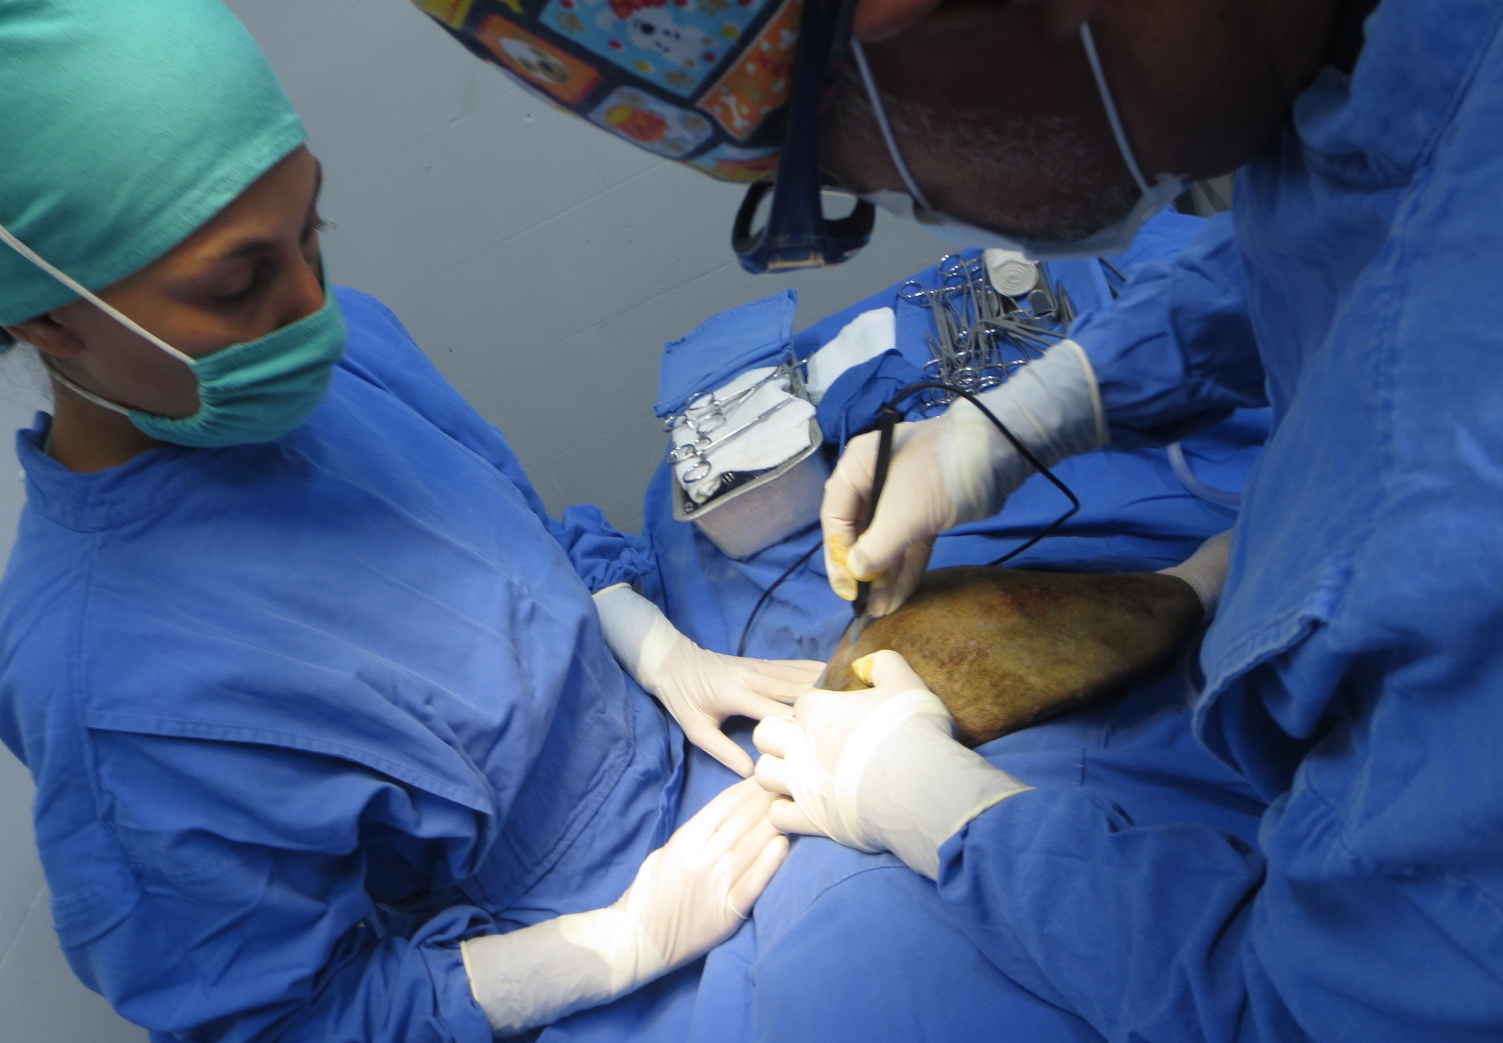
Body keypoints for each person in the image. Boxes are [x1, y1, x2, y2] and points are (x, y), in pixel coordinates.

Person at [413, 0, 1503, 1038]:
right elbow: (1322, 233)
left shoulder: (1450, 508)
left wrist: (953, 817)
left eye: (834, 175)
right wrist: (1038, 410)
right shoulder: (1383, 63)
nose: (915, 204)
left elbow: (1325, 1012)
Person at [0, 3, 825, 1039]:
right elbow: (293, 1020)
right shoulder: (104, 680)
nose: (313, 308)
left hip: (698, 749)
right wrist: (620, 942)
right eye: (240, 281)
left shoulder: (337, 362)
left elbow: (523, 545)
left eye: (313, 232)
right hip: (618, 968)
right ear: (43, 316)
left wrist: (652, 646)